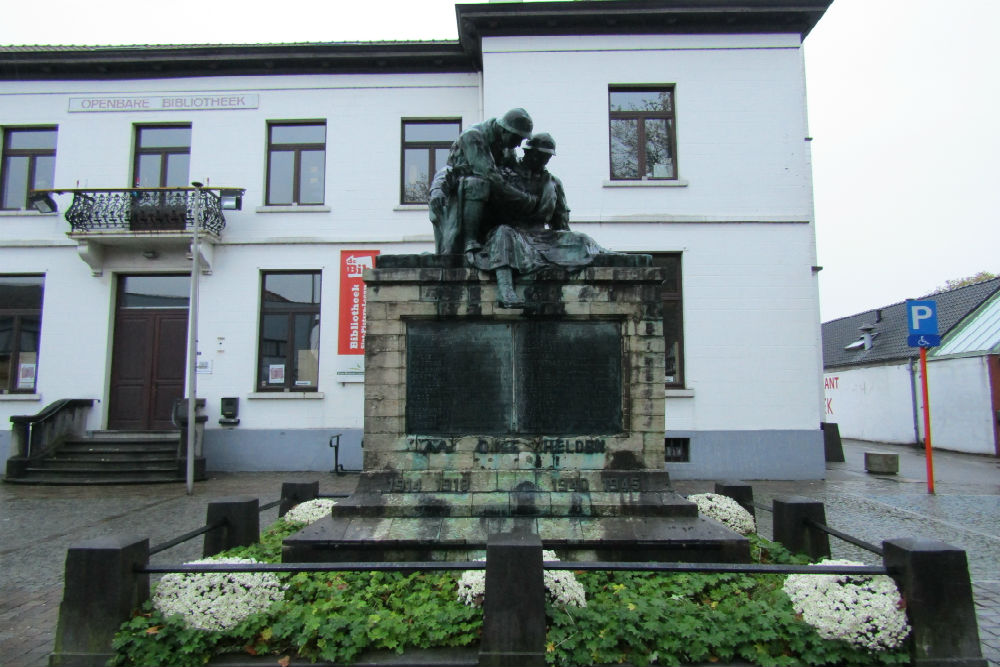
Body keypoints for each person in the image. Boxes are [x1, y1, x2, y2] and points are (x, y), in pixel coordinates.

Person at [469, 132, 607, 307]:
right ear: (528, 153)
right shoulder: (504, 176)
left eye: (547, 157)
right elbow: (487, 212)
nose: (543, 161)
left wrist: (567, 237)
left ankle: (609, 256)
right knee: (503, 235)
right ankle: (506, 291)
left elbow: (560, 220)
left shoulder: (553, 182)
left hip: (542, 237)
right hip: (512, 232)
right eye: (539, 156)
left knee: (582, 239)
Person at [428, 108, 538, 256]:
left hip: (491, 197)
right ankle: (470, 241)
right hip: (461, 193)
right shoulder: (473, 136)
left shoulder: (506, 146)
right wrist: (522, 198)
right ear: (505, 131)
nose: (518, 145)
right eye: (517, 139)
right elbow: (489, 175)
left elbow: (516, 171)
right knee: (479, 184)